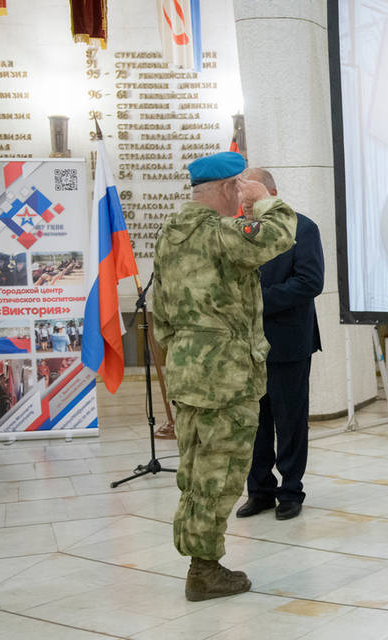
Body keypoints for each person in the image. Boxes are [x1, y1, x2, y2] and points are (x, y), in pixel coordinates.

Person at [150, 151, 297, 600]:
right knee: (221, 472)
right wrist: (265, 199)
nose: (241, 197)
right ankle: (205, 569)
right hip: (225, 377)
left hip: (189, 372)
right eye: (238, 188)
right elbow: (280, 233)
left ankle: (199, 558)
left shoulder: (169, 234)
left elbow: (161, 315)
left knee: (196, 472)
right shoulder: (220, 233)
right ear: (229, 189)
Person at [235, 168, 324, 521]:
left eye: (250, 200)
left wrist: (255, 299)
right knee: (253, 424)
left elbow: (309, 282)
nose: (244, 207)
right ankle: (259, 491)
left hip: (287, 344)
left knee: (289, 422)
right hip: (244, 346)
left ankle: (290, 490)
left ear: (270, 193)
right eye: (241, 201)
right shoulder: (237, 230)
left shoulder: (302, 228)